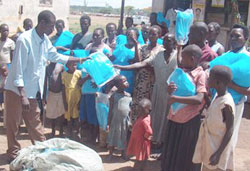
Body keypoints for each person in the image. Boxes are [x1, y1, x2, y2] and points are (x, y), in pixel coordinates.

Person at [4, 10, 88, 162]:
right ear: (42, 23)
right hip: (17, 91)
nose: (53, 30)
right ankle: (13, 153)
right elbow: (18, 69)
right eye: (51, 25)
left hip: (32, 91)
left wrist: (79, 59)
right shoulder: (25, 40)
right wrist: (22, 95)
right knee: (13, 124)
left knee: (35, 124)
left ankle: (43, 152)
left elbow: (54, 55)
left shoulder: (44, 40)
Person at [115, 33, 178, 144]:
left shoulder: (178, 56)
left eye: (169, 40)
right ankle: (154, 140)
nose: (166, 42)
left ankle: (164, 142)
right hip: (157, 89)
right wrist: (122, 67)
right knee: (156, 115)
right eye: (165, 40)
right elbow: (141, 64)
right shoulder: (158, 55)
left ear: (174, 43)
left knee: (168, 116)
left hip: (171, 91)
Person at [161, 45, 207, 171]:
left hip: (188, 121)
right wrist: (169, 90)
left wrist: (176, 99)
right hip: (174, 119)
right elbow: (172, 92)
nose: (180, 59)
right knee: (171, 152)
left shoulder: (200, 74)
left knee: (183, 155)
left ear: (192, 59)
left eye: (183, 57)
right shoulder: (180, 72)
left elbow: (199, 99)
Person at [193, 65, 235, 171]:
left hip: (217, 147)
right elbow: (212, 106)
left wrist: (218, 153)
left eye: (210, 77)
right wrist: (204, 95)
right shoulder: (218, 96)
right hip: (211, 144)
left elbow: (230, 129)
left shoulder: (226, 104)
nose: (207, 78)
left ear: (218, 83)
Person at [129, 25, 164, 125]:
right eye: (150, 34)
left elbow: (157, 67)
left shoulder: (161, 50)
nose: (151, 36)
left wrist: (145, 66)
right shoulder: (143, 48)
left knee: (149, 106)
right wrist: (136, 45)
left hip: (153, 82)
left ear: (159, 35)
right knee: (137, 105)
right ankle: (134, 128)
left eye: (154, 34)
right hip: (141, 82)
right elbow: (138, 61)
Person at [226, 24, 249, 149]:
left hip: (236, 104)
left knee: (230, 137)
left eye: (238, 36)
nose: (233, 38)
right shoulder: (226, 56)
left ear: (245, 38)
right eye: (231, 36)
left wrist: (231, 85)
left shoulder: (248, 59)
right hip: (219, 101)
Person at [107, 75, 132, 160]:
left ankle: (123, 153)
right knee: (112, 136)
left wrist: (131, 120)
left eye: (126, 80)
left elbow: (130, 109)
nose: (126, 82)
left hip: (125, 121)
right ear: (117, 85)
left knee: (124, 137)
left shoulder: (128, 95)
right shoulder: (114, 96)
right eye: (124, 81)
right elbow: (110, 110)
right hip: (115, 120)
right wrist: (108, 122)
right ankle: (110, 153)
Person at [112, 27, 141, 94]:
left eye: (132, 36)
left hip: (130, 80)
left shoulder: (140, 48)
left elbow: (138, 62)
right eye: (128, 35)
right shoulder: (121, 47)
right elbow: (112, 59)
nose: (129, 38)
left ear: (137, 36)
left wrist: (136, 44)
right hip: (119, 80)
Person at [127, 98, 153, 171]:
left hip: (141, 142)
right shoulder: (144, 117)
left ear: (149, 110)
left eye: (142, 110)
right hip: (140, 140)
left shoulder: (144, 120)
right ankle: (143, 167)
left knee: (140, 156)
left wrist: (145, 137)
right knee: (143, 156)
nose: (140, 111)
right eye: (139, 109)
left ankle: (137, 168)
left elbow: (150, 131)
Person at [62, 61, 82, 139]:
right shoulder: (64, 74)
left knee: (76, 117)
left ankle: (77, 132)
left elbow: (80, 85)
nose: (74, 67)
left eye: (75, 65)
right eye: (72, 65)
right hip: (68, 97)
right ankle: (69, 133)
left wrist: (80, 101)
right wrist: (64, 102)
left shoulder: (78, 73)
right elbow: (63, 89)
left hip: (77, 96)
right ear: (67, 66)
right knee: (69, 117)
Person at [45, 62, 65, 137]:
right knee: (52, 113)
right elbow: (45, 82)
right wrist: (44, 96)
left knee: (61, 113)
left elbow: (64, 79)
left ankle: (61, 130)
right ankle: (53, 130)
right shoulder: (47, 67)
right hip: (51, 93)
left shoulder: (61, 66)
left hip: (60, 92)